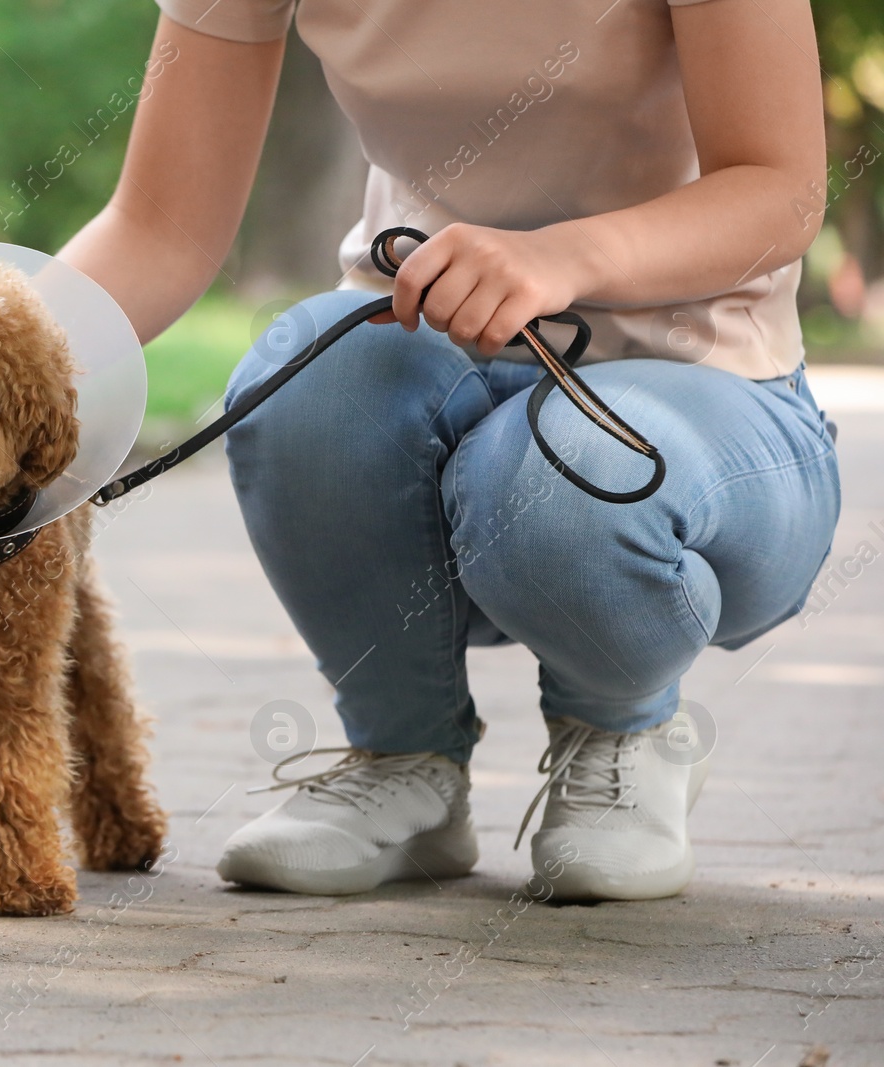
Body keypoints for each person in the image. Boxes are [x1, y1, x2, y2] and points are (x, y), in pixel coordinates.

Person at [57, 0, 840, 901]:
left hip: (707, 400)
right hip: (432, 355)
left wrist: (564, 257)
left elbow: (783, 186)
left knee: (555, 469)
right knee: (306, 384)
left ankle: (621, 732)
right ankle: (406, 760)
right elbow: (161, 227)